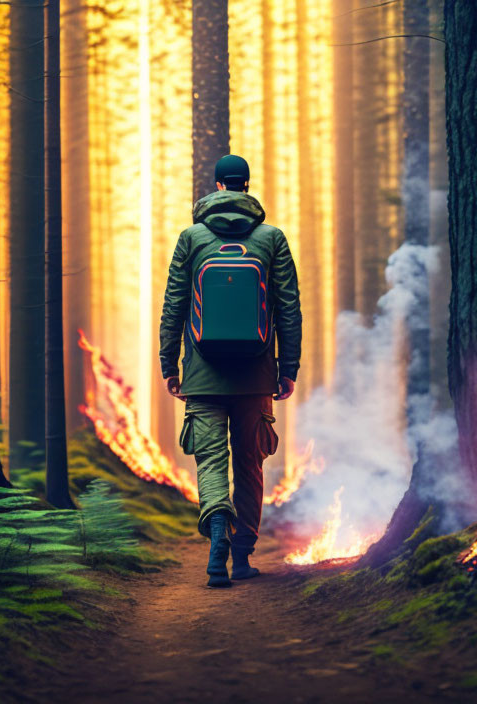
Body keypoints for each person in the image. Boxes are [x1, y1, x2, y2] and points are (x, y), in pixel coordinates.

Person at [159, 154, 302, 588]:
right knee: (250, 465)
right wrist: (288, 367)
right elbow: (288, 308)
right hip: (256, 374)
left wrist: (170, 363)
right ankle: (241, 556)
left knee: (211, 461)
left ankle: (217, 526)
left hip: (202, 376)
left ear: (218, 185)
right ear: (246, 186)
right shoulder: (272, 238)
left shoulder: (191, 238)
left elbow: (174, 305)